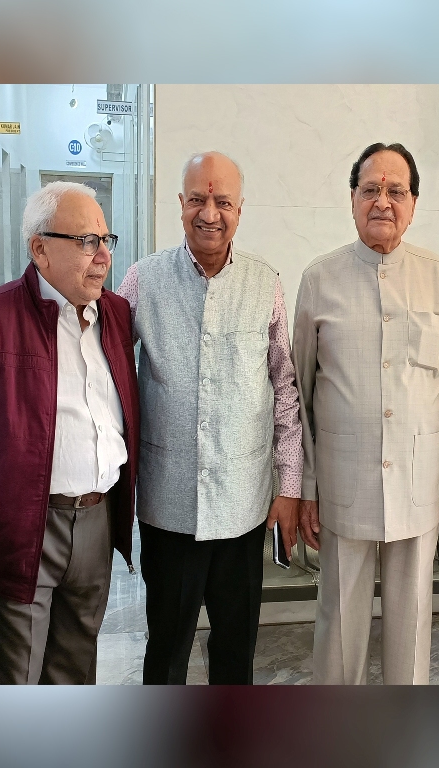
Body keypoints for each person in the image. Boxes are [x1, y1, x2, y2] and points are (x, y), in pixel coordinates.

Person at [293, 142, 439, 685]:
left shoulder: (436, 274)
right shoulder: (320, 278)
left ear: (414, 202)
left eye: (396, 190)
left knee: (413, 618)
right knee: (339, 618)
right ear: (352, 198)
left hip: (420, 477)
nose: (383, 201)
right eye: (371, 189)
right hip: (342, 479)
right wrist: (305, 487)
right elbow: (299, 394)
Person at [116, 151, 302, 685]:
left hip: (243, 506)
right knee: (166, 648)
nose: (210, 213)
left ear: (240, 209)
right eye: (197, 199)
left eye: (223, 202)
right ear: (180, 204)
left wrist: (289, 487)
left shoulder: (265, 282)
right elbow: (106, 368)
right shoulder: (143, 279)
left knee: (236, 650)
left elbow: (284, 388)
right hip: (168, 505)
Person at [0, 181, 138, 684]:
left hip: (96, 519)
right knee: (11, 679)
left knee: (74, 670)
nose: (103, 256)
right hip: (19, 525)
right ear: (39, 249)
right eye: (87, 242)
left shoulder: (115, 315)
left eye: (106, 240)